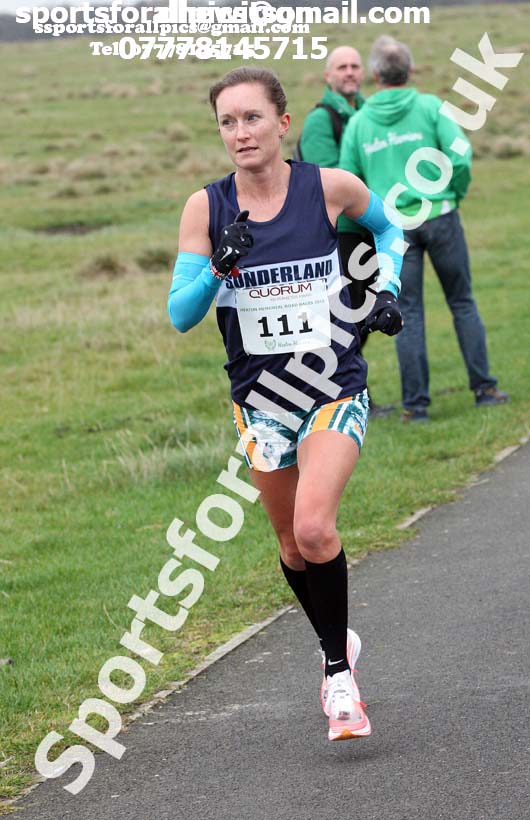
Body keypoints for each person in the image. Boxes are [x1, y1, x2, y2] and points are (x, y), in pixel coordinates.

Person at [167, 67, 404, 741]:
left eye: (251, 117)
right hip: (260, 402)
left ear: (282, 123)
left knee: (312, 529)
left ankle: (336, 674)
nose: (239, 132)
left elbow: (388, 230)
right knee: (290, 547)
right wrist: (219, 267)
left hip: (332, 384)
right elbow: (181, 315)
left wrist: (384, 288)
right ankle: (340, 644)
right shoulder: (205, 209)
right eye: (227, 122)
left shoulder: (326, 187)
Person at [340, 36, 509, 422]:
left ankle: (416, 407)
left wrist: (372, 221)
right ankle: (484, 389)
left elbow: (349, 180)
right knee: (462, 302)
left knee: (409, 313)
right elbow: (461, 155)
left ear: (375, 74)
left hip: (394, 230)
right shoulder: (431, 107)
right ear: (410, 69)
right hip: (441, 215)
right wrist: (453, 194)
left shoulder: (359, 123)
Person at [299, 46, 394, 417]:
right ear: (328, 76)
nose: (350, 72)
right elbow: (329, 182)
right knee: (345, 319)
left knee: (361, 317)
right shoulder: (322, 120)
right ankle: (346, 397)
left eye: (355, 66)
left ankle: (350, 393)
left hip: (369, 230)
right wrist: (379, 184)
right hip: (340, 236)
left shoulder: (366, 112)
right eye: (342, 67)